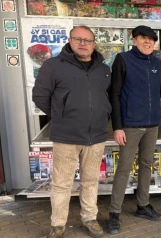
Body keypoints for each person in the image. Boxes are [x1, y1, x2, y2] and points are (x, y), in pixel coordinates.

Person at [107, 25, 161, 235]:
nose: (147, 42)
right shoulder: (123, 59)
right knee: (124, 169)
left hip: (152, 125)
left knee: (146, 165)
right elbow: (115, 94)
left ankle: (143, 205)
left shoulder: (156, 63)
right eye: (143, 38)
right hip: (130, 125)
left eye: (151, 39)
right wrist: (117, 126)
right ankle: (114, 214)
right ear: (134, 39)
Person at [32, 26, 111, 238]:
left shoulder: (103, 69)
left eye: (87, 40)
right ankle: (58, 225)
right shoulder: (53, 66)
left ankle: (90, 218)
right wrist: (61, 114)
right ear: (70, 41)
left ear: (94, 44)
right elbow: (40, 96)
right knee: (61, 183)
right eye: (78, 39)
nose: (83, 43)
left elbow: (108, 97)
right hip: (66, 136)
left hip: (96, 136)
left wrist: (105, 115)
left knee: (90, 181)